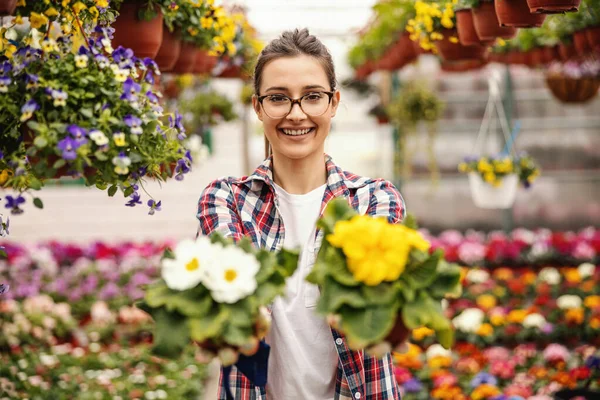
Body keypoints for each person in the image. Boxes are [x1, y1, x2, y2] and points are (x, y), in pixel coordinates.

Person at [197, 28, 407, 400]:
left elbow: (379, 300)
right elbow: (230, 297)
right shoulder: (226, 198)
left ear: (333, 102)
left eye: (312, 96)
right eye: (278, 98)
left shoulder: (374, 200)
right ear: (257, 106)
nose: (296, 114)